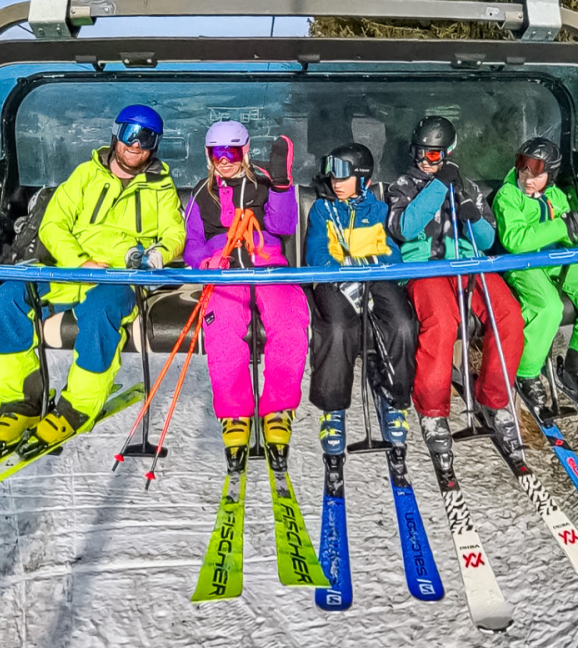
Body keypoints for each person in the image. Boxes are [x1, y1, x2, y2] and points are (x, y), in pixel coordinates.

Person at [0, 104, 186, 462]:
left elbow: (174, 233)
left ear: (155, 145)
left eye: (146, 138)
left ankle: (77, 406)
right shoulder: (85, 175)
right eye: (130, 134)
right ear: (116, 135)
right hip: (70, 270)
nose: (135, 145)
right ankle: (20, 403)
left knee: (100, 311)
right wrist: (78, 261)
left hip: (119, 277)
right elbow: (53, 224)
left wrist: (158, 254)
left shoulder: (160, 187)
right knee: (7, 299)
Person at [386, 115, 527, 462]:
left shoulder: (468, 187)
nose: (424, 160)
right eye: (419, 152)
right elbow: (404, 227)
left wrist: (472, 217)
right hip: (425, 268)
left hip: (468, 264)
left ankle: (495, 399)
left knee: (509, 316)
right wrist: (437, 188)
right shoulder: (403, 186)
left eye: (433, 155)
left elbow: (488, 240)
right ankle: (433, 410)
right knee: (442, 322)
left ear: (448, 152)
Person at [183, 120, 308, 457]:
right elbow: (192, 243)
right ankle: (234, 412)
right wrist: (204, 262)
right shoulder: (202, 193)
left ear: (245, 151)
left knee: (289, 322)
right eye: (217, 153)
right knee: (222, 329)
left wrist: (280, 187)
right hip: (225, 273)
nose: (225, 160)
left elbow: (284, 226)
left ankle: (278, 408)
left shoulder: (264, 184)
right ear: (208, 155)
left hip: (268, 268)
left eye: (232, 152)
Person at [493, 136, 578, 422]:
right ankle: (526, 372)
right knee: (548, 306)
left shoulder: (556, 197)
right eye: (523, 168)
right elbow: (515, 240)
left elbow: (570, 235)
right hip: (521, 264)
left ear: (551, 175)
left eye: (536, 172)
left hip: (555, 261)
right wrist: (561, 225)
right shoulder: (508, 196)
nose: (527, 178)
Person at [304, 144, 417, 453]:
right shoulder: (323, 209)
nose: (336, 182)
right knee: (338, 328)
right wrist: (340, 269)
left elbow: (391, 253)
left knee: (402, 324)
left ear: (363, 178)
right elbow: (316, 253)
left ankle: (393, 397)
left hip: (375, 276)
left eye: (344, 176)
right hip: (335, 279)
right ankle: (333, 407)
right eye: (332, 176)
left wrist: (373, 263)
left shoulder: (378, 210)